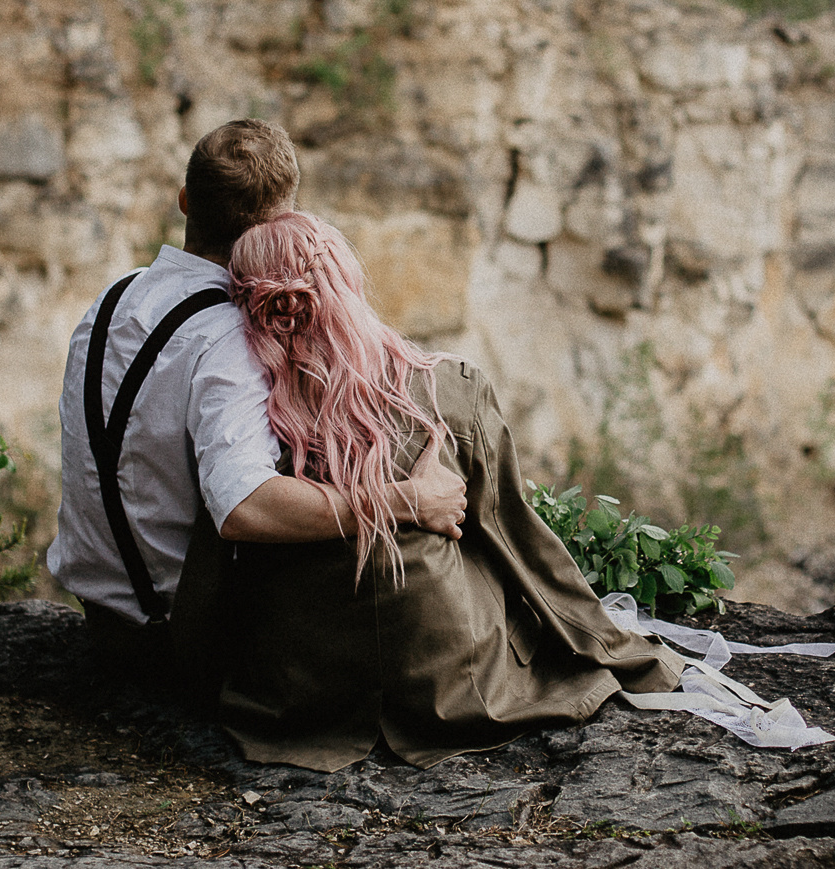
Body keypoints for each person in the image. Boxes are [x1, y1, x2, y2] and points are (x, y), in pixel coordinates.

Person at [212, 208, 681, 771]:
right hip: (450, 690)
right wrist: (613, 649)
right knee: (482, 547)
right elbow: (518, 541)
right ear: (347, 282)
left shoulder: (243, 414)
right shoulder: (449, 390)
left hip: (302, 698)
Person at [45, 120, 468, 683]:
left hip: (106, 623)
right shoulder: (226, 338)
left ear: (184, 201)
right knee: (442, 411)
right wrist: (407, 500)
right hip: (180, 642)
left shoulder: (113, 296)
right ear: (282, 225)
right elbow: (245, 506)